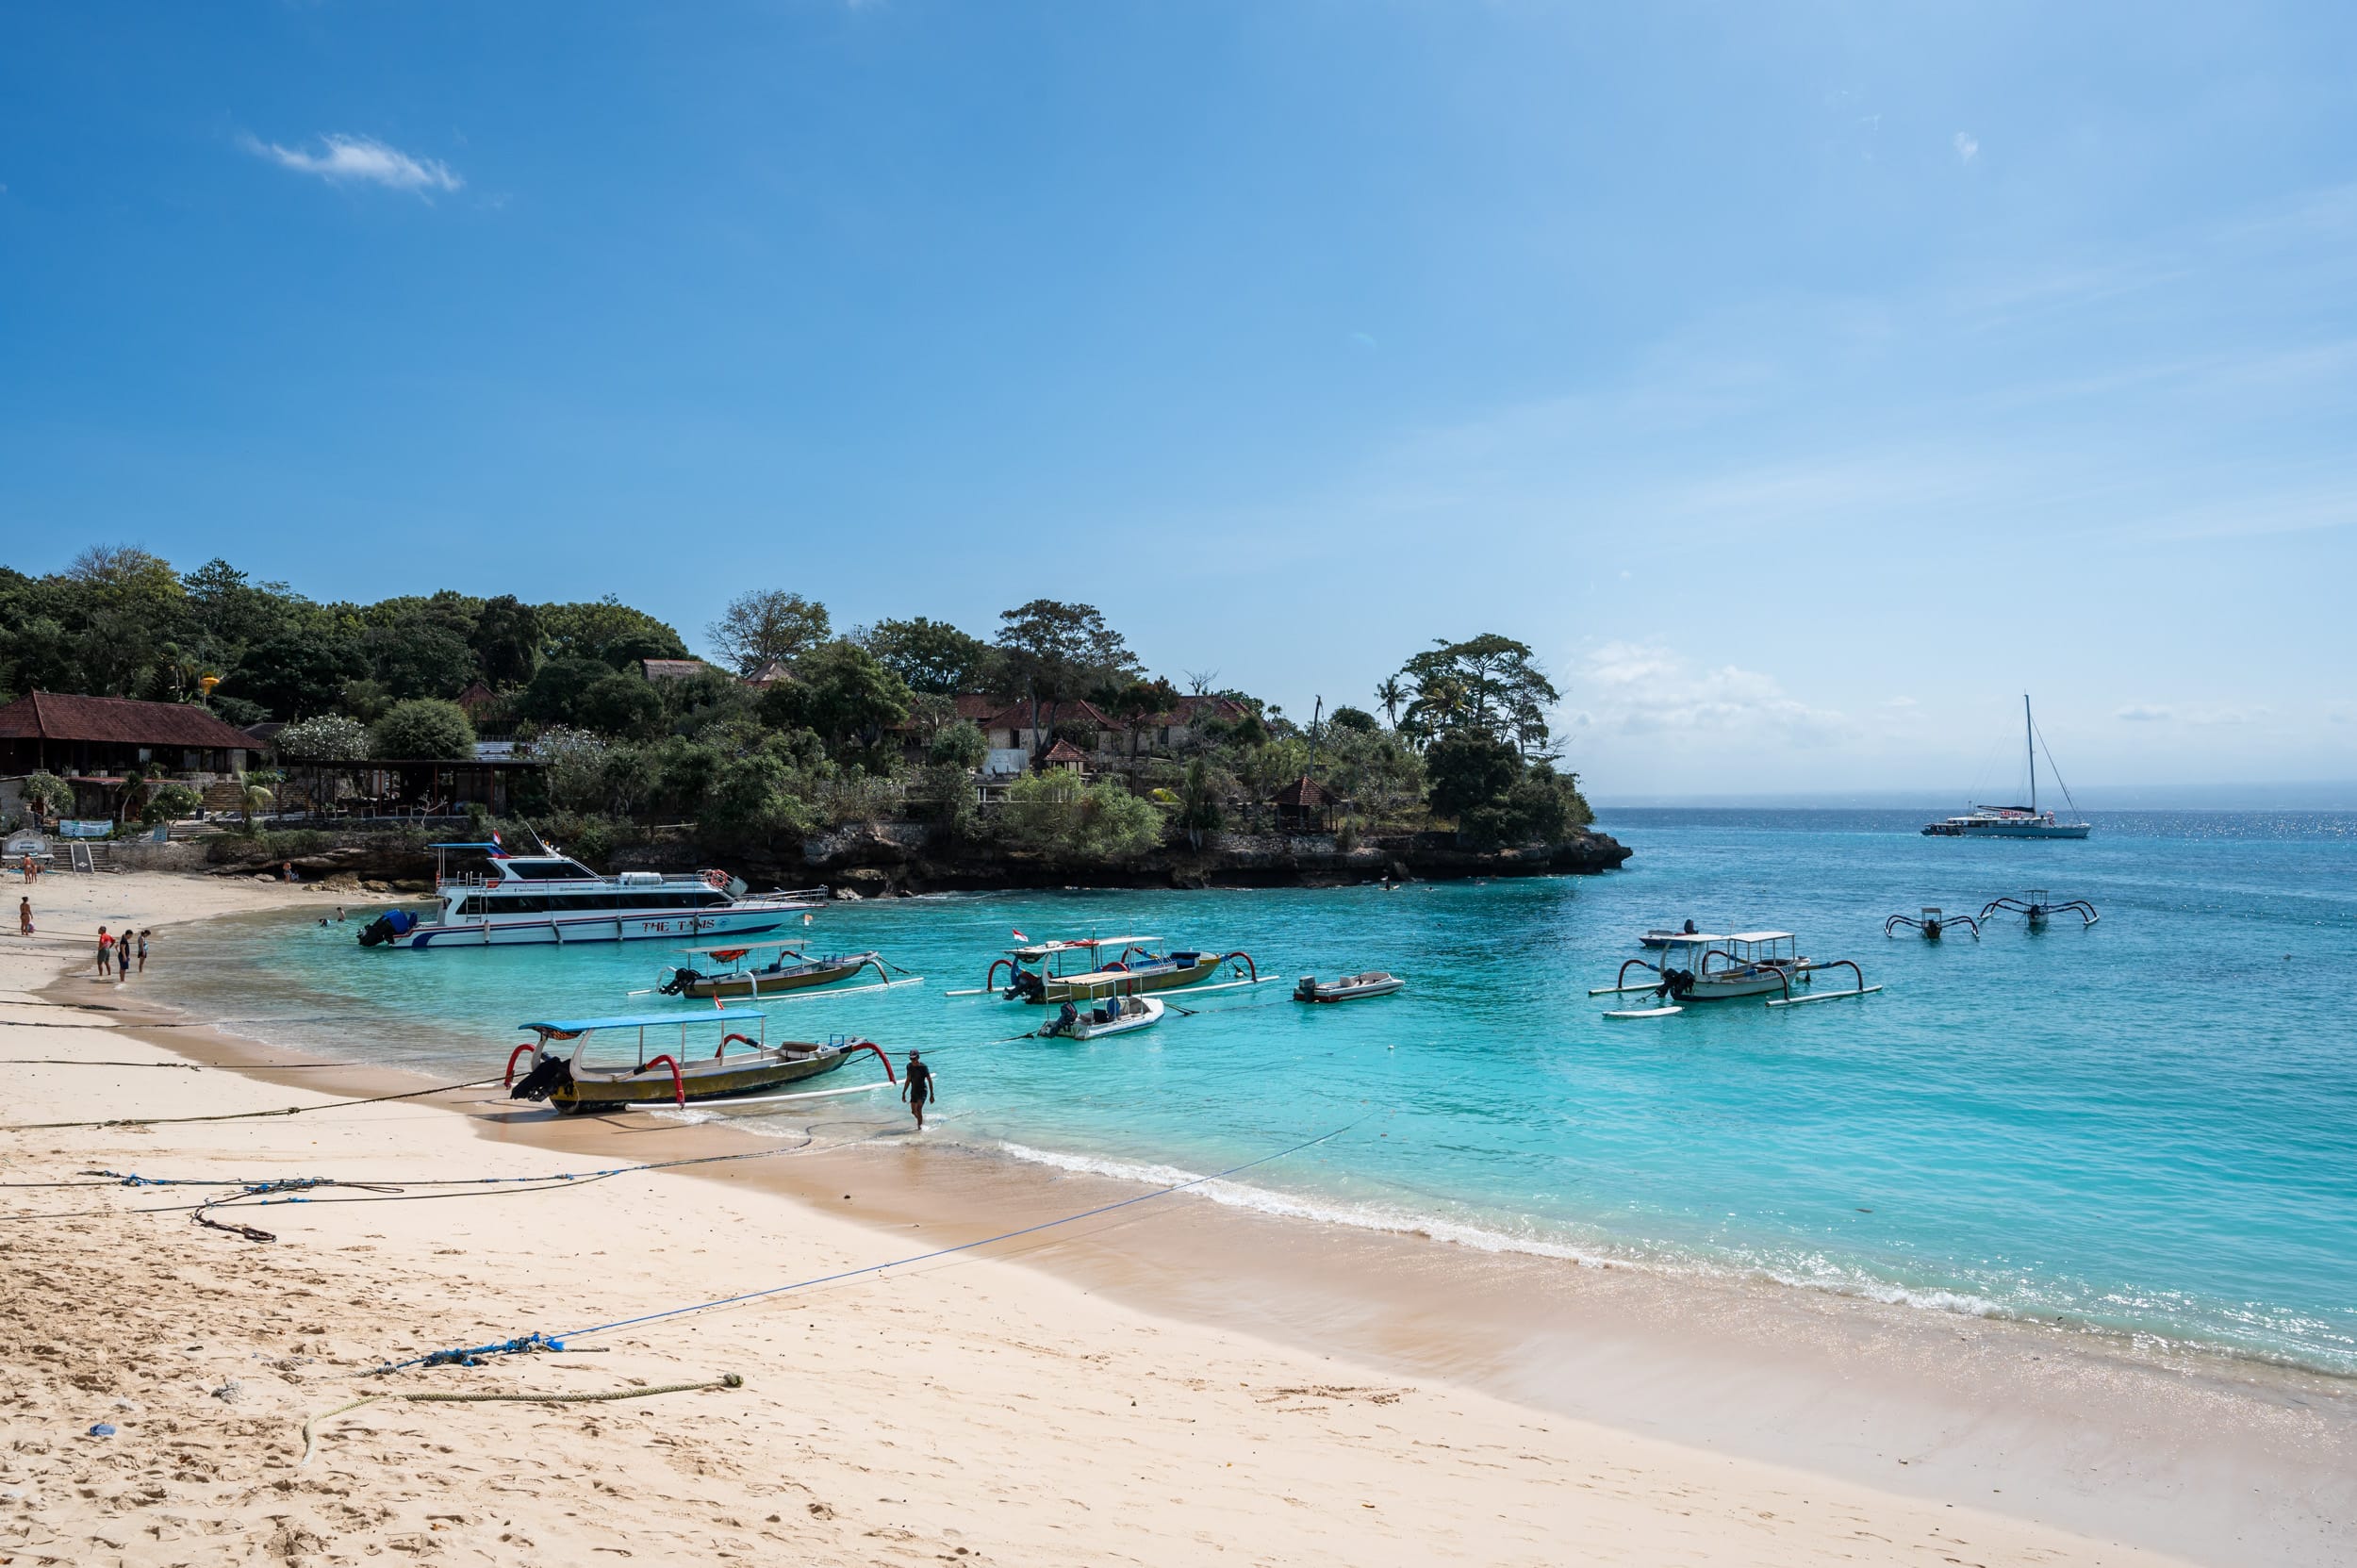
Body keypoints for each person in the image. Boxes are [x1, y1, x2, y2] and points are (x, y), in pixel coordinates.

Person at [901, 1050, 935, 1131]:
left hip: (923, 1090)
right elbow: (908, 1080)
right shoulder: (909, 1066)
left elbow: (929, 1081)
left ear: (918, 1057)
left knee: (919, 1109)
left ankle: (920, 1128)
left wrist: (931, 1095)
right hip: (914, 1091)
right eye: (911, 1059)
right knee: (913, 1112)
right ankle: (921, 1120)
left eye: (915, 1058)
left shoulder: (923, 1067)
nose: (913, 1061)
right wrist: (903, 1093)